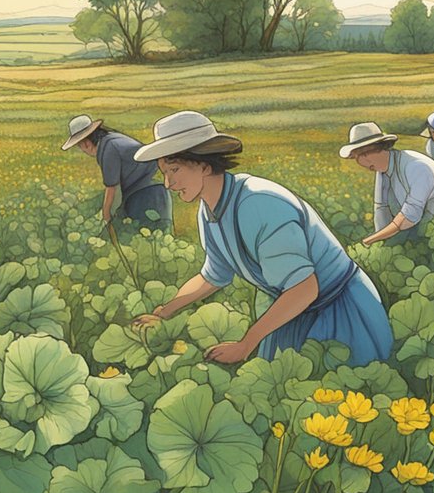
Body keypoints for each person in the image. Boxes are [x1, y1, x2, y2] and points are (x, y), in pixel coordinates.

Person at [130, 111, 393, 366]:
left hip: (339, 309)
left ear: (204, 165)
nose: (167, 183)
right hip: (289, 311)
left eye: (174, 170)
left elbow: (305, 288)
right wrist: (163, 313)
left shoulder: (259, 203)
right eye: (165, 173)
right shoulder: (209, 209)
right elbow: (213, 275)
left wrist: (246, 344)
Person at [341, 121, 434, 245]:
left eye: (365, 154)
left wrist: (370, 241)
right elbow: (381, 208)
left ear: (381, 147)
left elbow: (407, 218)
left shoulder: (416, 167)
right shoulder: (382, 169)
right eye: (357, 157)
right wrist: (381, 243)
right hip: (426, 225)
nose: (363, 162)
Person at [61, 114, 172, 229]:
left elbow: (112, 189)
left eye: (80, 146)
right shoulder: (111, 140)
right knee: (159, 238)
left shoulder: (108, 149)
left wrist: (106, 217)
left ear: (86, 143)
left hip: (145, 194)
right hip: (155, 190)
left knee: (144, 236)